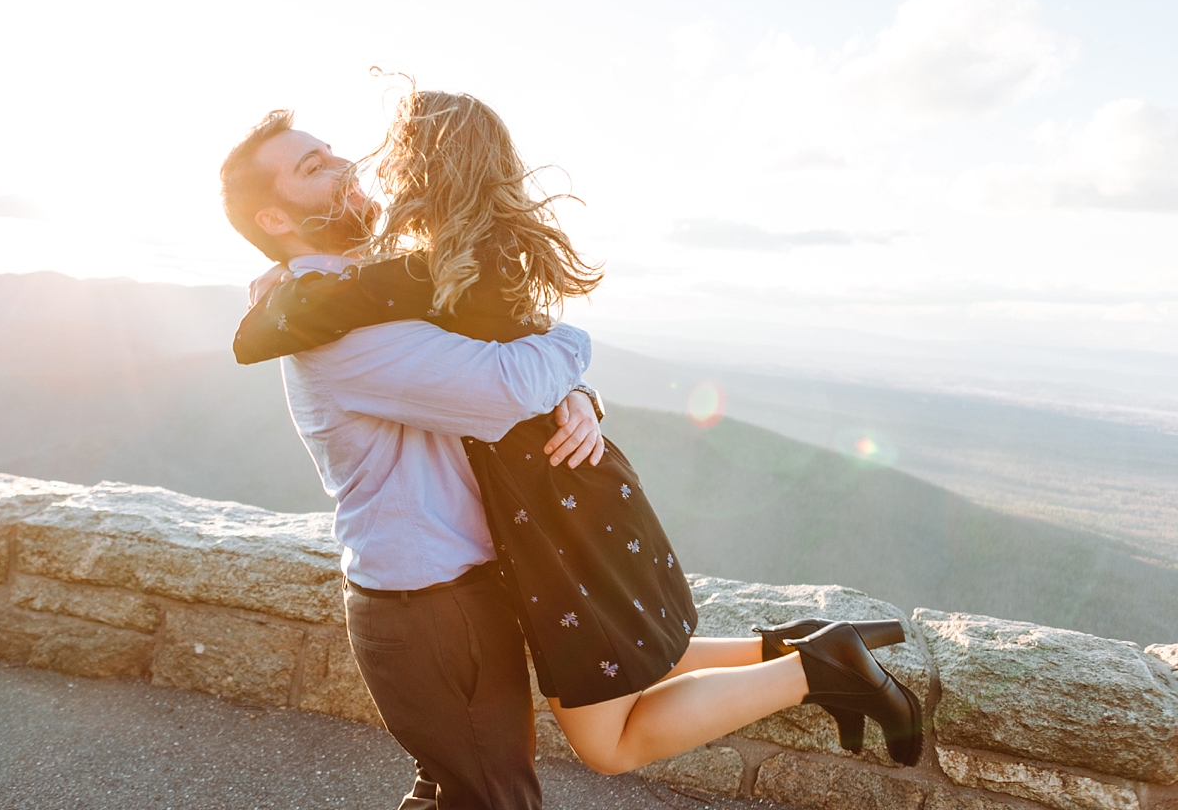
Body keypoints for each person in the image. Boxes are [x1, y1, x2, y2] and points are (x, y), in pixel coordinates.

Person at [219, 101, 923, 808]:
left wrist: (579, 392)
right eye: (314, 168)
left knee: (457, 787)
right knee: (492, 793)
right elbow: (509, 383)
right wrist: (573, 351)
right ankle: (813, 663)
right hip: (429, 604)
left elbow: (500, 349)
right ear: (274, 220)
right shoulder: (333, 328)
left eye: (334, 151)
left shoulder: (361, 295)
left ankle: (803, 656)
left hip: (475, 578)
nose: (347, 166)